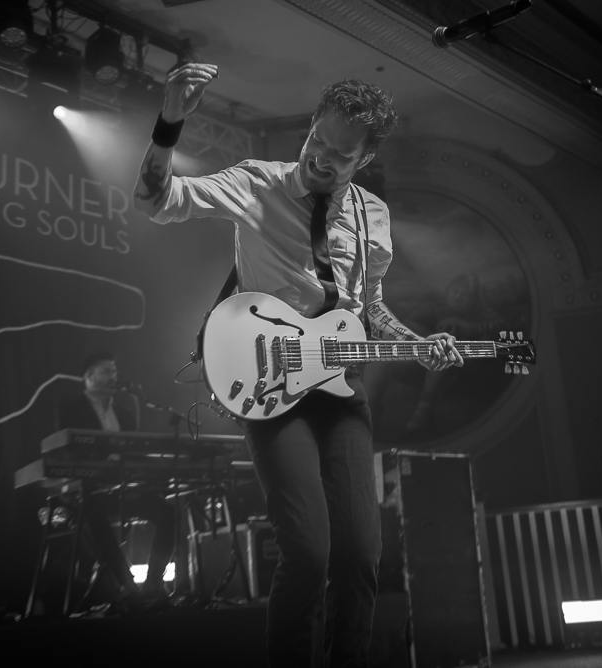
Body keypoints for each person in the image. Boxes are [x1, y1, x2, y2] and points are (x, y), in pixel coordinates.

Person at [133, 66, 464, 667]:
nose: (321, 159)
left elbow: (369, 308)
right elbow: (155, 201)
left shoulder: (373, 218)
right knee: (309, 549)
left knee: (361, 556)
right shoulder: (257, 184)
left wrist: (414, 342)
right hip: (269, 380)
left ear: (362, 160)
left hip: (340, 389)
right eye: (317, 142)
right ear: (309, 129)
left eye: (340, 155)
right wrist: (169, 123)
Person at [54, 352, 176, 605]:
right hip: (90, 491)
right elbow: (67, 450)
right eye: (107, 371)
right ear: (89, 376)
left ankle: (153, 583)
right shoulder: (69, 408)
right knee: (92, 509)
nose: (114, 377)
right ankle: (127, 585)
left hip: (125, 488)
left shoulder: (125, 412)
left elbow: (135, 453)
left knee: (168, 512)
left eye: (115, 372)